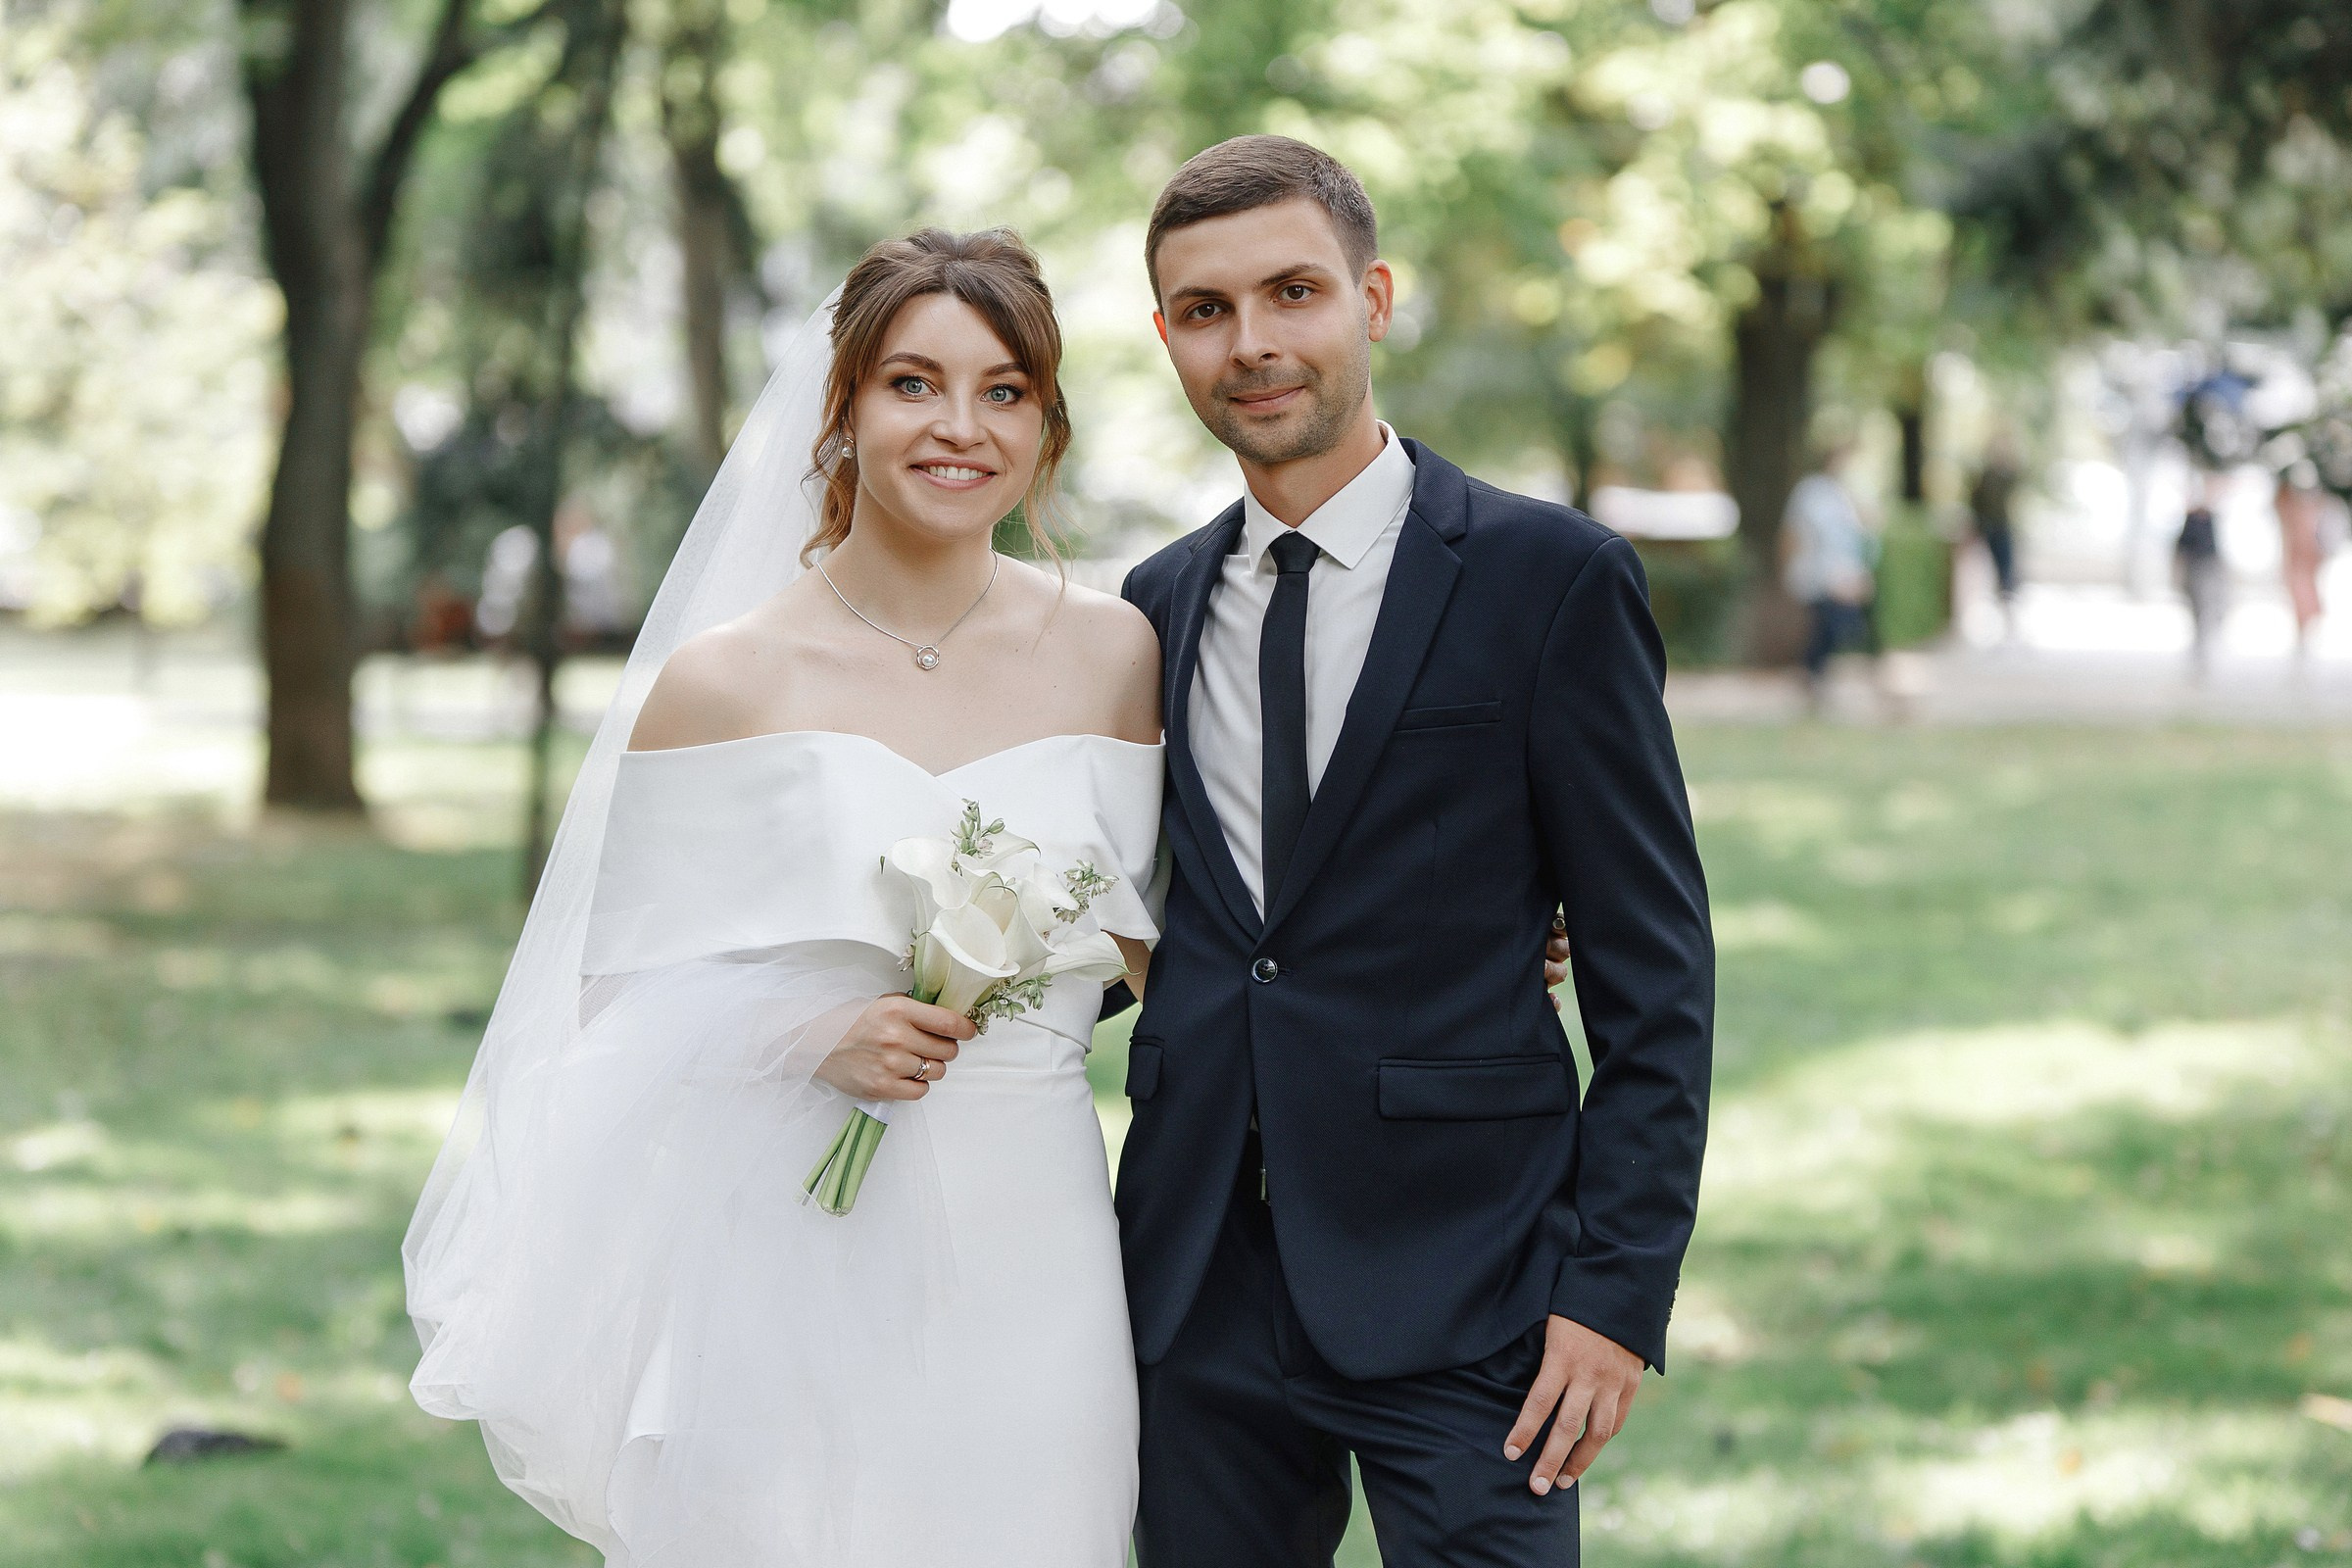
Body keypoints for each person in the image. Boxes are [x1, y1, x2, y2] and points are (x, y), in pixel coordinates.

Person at [403, 225, 1572, 1566]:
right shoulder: (724, 682)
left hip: (1045, 1252)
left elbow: (1192, 940)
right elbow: (605, 1011)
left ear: (1046, 426)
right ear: (841, 410)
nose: (959, 426)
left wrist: (1466, 939)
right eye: (912, 384)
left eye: (1003, 390)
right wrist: (808, 1034)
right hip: (798, 1239)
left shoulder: (1116, 648)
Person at [1118, 136, 1713, 1567]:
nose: (1251, 343)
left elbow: (1656, 971)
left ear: (1373, 300)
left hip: (1474, 1282)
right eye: (1205, 311)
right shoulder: (1151, 609)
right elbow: (1145, 923)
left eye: (1292, 292)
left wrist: (1617, 1293)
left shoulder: (1549, 579)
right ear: (1166, 339)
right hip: (1197, 1280)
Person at [1781, 438, 1878, 708]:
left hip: (1842, 575)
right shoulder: (1811, 492)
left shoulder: (1843, 494)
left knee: (1835, 627)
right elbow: (1795, 534)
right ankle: (1812, 676)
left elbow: (1853, 539)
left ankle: (1815, 675)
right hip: (1817, 574)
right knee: (1828, 625)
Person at [1969, 431, 2024, 640]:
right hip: (1990, 529)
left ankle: (2008, 619)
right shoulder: (1984, 477)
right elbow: (1975, 503)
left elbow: (2019, 475)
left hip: (2002, 528)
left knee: (2006, 572)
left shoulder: (2005, 476)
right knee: (1992, 573)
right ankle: (1995, 618)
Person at [2177, 472, 2227, 679]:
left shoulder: (2213, 518)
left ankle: (2207, 643)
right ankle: (2199, 648)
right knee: (2198, 608)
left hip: (2210, 568)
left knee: (2214, 606)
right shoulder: (2191, 518)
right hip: (2195, 569)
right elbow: (2181, 547)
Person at [2277, 463, 2328, 667]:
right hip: (2296, 564)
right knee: (2299, 604)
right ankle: (2301, 647)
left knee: (2308, 605)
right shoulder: (2291, 508)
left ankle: (2304, 645)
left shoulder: (2313, 508)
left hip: (2306, 564)